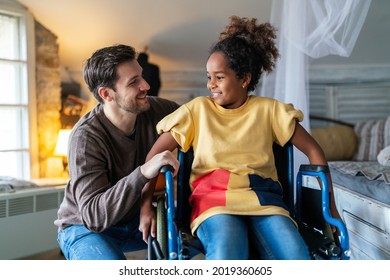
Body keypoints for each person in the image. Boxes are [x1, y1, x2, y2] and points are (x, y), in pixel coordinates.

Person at [141, 16, 341, 260]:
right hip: (213, 201)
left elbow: (314, 150)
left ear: (244, 79)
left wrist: (331, 209)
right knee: (229, 251)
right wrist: (145, 208)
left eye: (220, 77)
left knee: (296, 255)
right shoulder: (197, 110)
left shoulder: (270, 110)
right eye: (209, 76)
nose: (211, 85)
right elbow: (154, 157)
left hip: (265, 201)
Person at [54, 44, 180, 260]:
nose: (146, 85)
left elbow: (199, 116)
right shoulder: (85, 138)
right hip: (85, 228)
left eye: (141, 76)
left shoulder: (158, 110)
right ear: (106, 94)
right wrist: (143, 172)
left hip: (132, 221)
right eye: (134, 82)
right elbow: (93, 216)